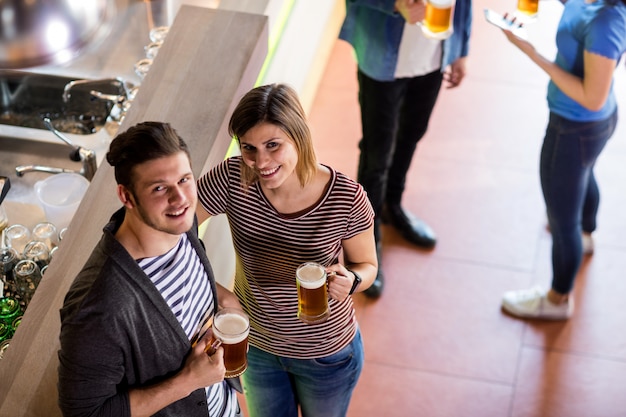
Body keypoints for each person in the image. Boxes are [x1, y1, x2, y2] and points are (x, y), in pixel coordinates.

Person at [196, 83, 378, 417]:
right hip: (258, 348)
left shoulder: (347, 198)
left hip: (326, 354)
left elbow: (367, 266)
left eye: (273, 145)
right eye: (248, 147)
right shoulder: (231, 178)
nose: (260, 162)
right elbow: (176, 232)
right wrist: (218, 292)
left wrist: (352, 279)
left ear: (299, 136)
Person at [58, 121, 243, 416]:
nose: (180, 199)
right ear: (126, 197)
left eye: (184, 179)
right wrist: (188, 381)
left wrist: (225, 298)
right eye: (159, 188)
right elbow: (86, 413)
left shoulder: (181, 224)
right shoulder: (100, 308)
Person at [500, 0, 626, 319]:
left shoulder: (605, 23)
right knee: (585, 175)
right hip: (590, 128)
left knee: (561, 220)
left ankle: (557, 300)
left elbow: (592, 98)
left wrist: (531, 52)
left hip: (574, 127)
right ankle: (585, 237)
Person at [339, 0, 473, 298]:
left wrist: (461, 47)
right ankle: (365, 242)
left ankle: (392, 206)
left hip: (434, 56)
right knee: (377, 153)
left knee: (412, 135)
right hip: (382, 58)